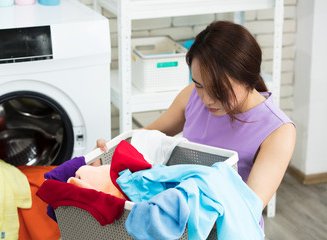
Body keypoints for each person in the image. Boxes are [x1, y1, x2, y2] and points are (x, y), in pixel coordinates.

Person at [97, 20, 296, 231]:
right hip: (178, 221)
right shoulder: (192, 96)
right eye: (200, 85)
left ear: (248, 78)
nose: (207, 99)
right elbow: (145, 137)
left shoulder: (278, 130)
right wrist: (109, 150)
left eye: (219, 89)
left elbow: (246, 209)